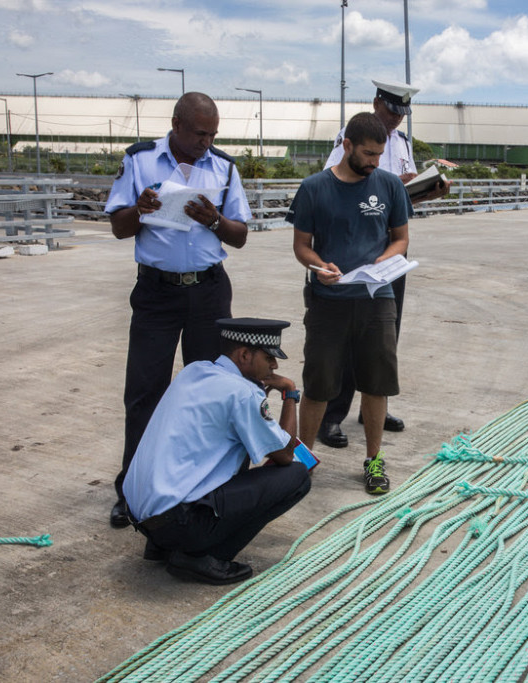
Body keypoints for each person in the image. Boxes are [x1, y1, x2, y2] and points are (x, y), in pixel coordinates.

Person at [104, 92, 253, 529]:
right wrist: (141, 210)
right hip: (157, 293)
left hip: (208, 293)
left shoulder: (224, 167)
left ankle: (200, 486)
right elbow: (117, 227)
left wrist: (213, 220)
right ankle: (132, 491)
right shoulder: (140, 160)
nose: (206, 141)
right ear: (176, 124)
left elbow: (240, 235)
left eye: (212, 134)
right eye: (199, 133)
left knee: (208, 392)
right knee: (145, 393)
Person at [123, 318, 310, 585]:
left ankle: (163, 546)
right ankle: (201, 556)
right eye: (269, 357)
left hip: (142, 513)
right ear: (244, 355)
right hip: (176, 523)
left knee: (238, 444)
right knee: (297, 476)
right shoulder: (243, 394)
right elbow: (285, 454)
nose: (275, 366)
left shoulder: (195, 370)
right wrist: (290, 393)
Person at [317, 80, 450, 449]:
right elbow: (335, 187)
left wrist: (425, 191)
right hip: (354, 254)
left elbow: (400, 205)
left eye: (400, 114)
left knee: (383, 336)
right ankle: (331, 415)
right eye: (391, 111)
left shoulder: (403, 143)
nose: (395, 120)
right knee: (346, 337)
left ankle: (373, 404)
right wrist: (391, 182)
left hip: (390, 254)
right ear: (376, 103)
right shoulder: (349, 139)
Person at [288, 112, 412, 494]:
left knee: (377, 384)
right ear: (347, 146)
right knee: (319, 383)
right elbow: (301, 246)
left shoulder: (389, 186)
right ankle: (302, 460)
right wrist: (318, 265)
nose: (375, 162)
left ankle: (374, 461)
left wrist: (386, 259)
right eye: (369, 154)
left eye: (380, 154)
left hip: (377, 300)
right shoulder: (314, 188)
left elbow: (401, 238)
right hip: (328, 300)